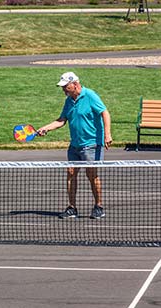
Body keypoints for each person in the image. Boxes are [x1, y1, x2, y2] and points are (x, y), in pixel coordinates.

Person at [37, 72, 113, 220]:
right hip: (75, 145)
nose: (64, 90)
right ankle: (72, 207)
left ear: (75, 84)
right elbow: (62, 120)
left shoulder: (90, 95)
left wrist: (107, 134)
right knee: (71, 173)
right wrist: (46, 128)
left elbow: (105, 112)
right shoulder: (69, 101)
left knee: (91, 175)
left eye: (66, 86)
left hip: (91, 144)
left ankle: (99, 206)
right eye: (63, 87)